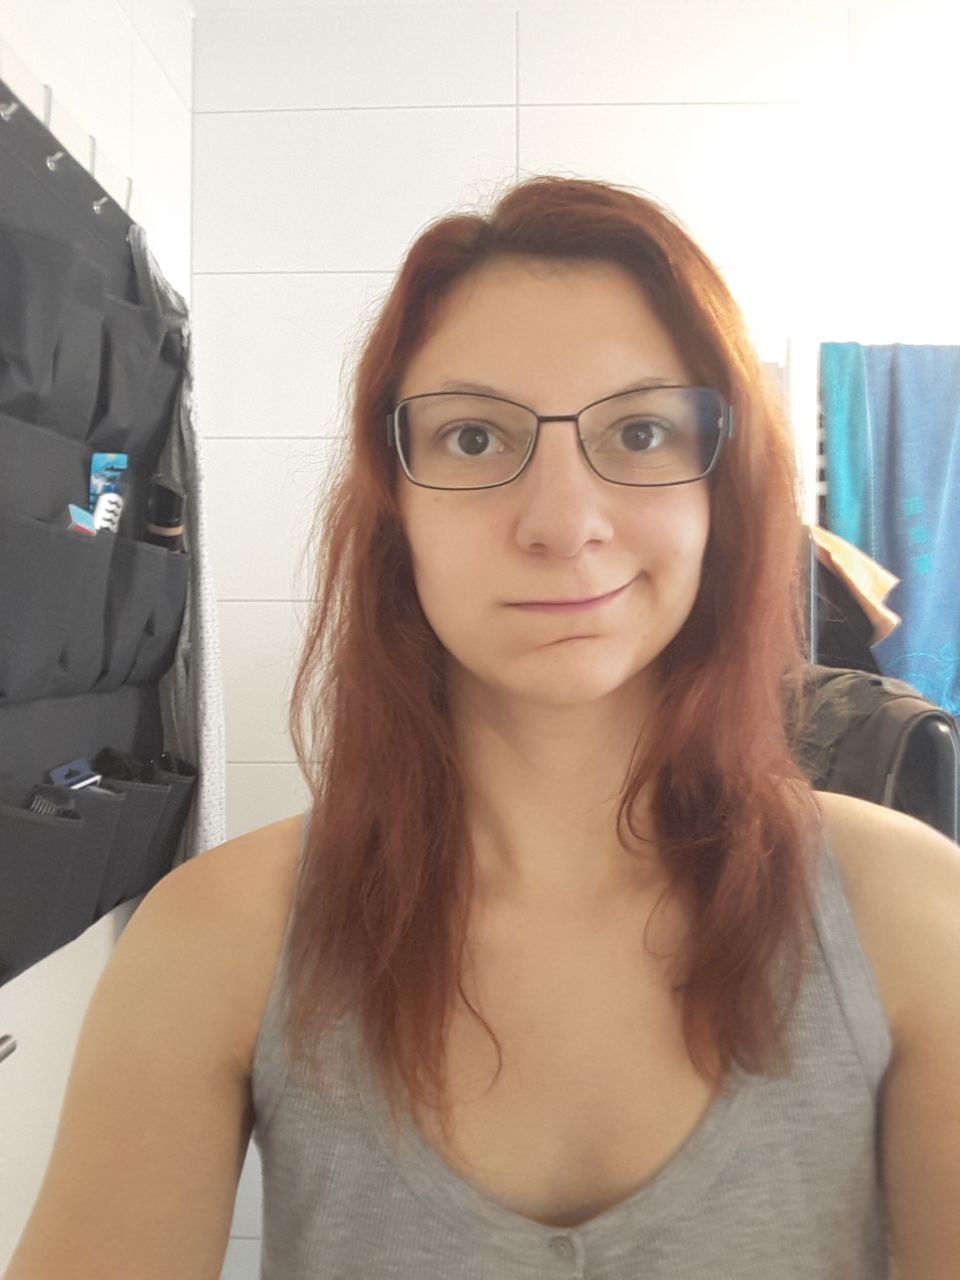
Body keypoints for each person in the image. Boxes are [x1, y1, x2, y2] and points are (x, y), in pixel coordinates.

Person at [14, 174, 946, 1278]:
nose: (562, 521)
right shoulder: (219, 938)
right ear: (394, 506)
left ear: (722, 494)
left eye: (641, 429)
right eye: (472, 437)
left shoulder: (911, 914)